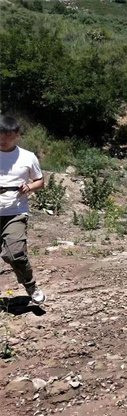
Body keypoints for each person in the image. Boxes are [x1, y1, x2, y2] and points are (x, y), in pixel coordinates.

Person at [0, 115, 46, 304]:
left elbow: (40, 181)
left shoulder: (28, 157)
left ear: (17, 135)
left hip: (15, 213)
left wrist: (29, 187)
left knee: (15, 254)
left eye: (7, 136)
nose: (2, 140)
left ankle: (31, 287)